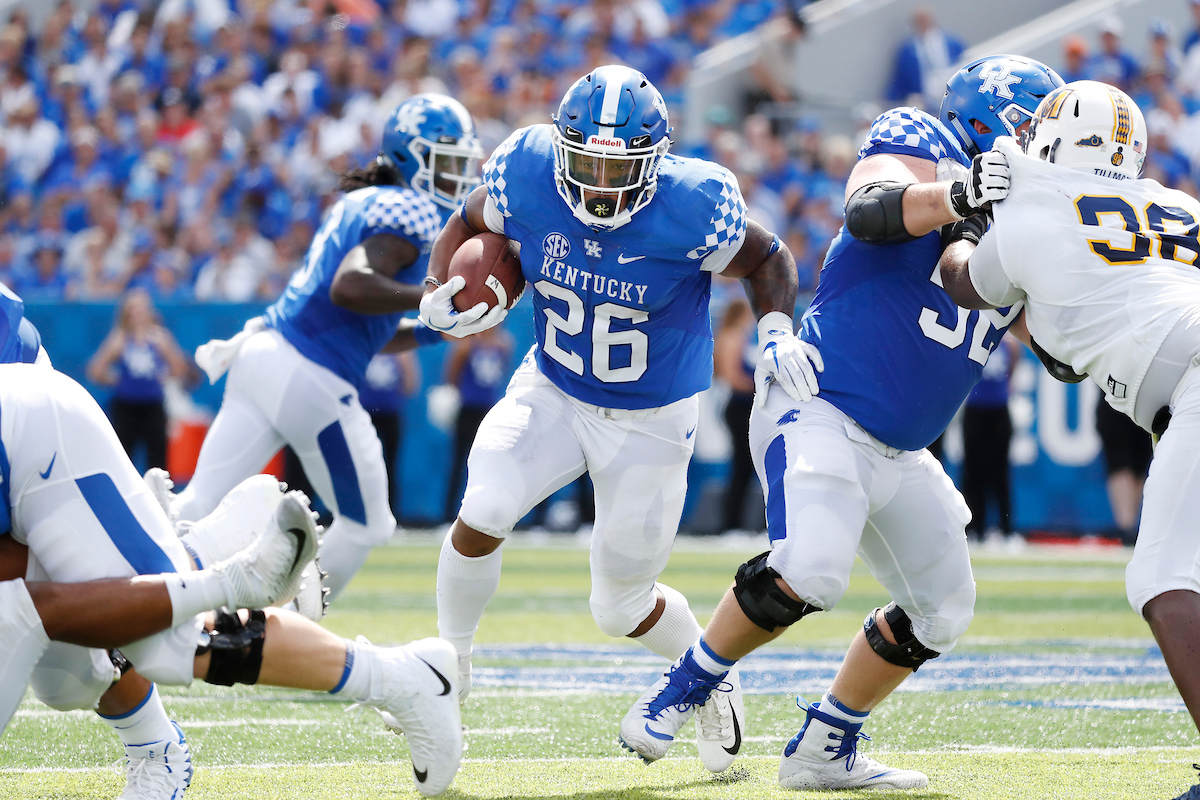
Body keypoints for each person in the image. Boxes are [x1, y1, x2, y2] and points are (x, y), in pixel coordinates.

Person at [617, 54, 1062, 790]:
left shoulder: (1030, 218)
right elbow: (871, 209)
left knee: (944, 608)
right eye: (1034, 127)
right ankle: (686, 684)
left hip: (902, 450)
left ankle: (825, 747)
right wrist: (965, 193)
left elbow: (1056, 351)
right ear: (991, 119)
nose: (1046, 144)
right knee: (811, 567)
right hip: (820, 403)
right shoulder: (927, 138)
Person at [417, 64, 821, 775]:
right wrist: (436, 285)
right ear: (563, 149)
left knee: (620, 604)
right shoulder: (528, 166)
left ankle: (712, 675)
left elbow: (767, 256)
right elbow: (469, 219)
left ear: (655, 160)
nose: (601, 183)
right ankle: (451, 665)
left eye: (619, 165)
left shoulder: (694, 202)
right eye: (589, 162)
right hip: (554, 387)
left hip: (651, 418)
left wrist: (778, 327)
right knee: (483, 507)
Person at [1, 361, 465, 798]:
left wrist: (204, 587)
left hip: (32, 443)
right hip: (24, 436)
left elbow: (32, 603)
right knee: (69, 678)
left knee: (163, 640)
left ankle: (399, 677)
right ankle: (195, 556)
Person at [936, 79, 1200, 800]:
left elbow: (967, 285)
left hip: (1191, 377)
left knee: (1163, 579)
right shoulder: (1180, 204)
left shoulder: (1026, 215)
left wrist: (965, 222)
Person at [172, 93, 484, 599]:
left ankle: (134, 584)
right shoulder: (412, 209)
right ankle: (284, 633)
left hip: (265, 354)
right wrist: (426, 295)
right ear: (409, 156)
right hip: (309, 376)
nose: (455, 174)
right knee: (368, 525)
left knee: (200, 500)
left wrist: (432, 326)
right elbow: (350, 285)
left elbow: (364, 325)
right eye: (444, 159)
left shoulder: (366, 201)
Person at [86, 288, 192, 472]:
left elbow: (179, 368)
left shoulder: (159, 338)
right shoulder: (120, 339)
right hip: (126, 406)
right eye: (133, 309)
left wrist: (162, 376)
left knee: (158, 458)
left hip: (153, 405)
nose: (138, 313)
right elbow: (95, 370)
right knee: (124, 456)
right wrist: (117, 380)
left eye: (141, 308)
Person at [442, 324, 512, 523]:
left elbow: (501, 373)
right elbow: (452, 374)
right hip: (468, 408)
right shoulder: (466, 344)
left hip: (489, 409)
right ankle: (449, 516)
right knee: (459, 462)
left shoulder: (504, 344)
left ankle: (490, 517)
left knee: (492, 462)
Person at [961, 333, 1020, 540]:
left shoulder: (1008, 342)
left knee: (1000, 470)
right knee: (972, 469)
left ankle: (1006, 528)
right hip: (974, 410)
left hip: (999, 410)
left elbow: (1012, 366)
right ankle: (974, 527)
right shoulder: (971, 336)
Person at [713, 297, 759, 534]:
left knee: (745, 465)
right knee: (742, 465)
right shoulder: (733, 337)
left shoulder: (734, 336)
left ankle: (736, 521)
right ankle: (732, 522)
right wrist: (762, 384)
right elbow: (732, 378)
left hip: (742, 406)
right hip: (740, 407)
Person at [359, 351, 421, 517]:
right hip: (364, 414)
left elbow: (411, 384)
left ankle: (390, 513)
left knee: (390, 466)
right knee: (361, 464)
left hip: (390, 414)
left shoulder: (401, 352)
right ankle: (359, 512)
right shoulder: (366, 347)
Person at [1094, 395, 1152, 543]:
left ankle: (1129, 528)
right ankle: (1126, 527)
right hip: (1119, 399)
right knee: (1121, 465)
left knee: (1138, 467)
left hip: (1143, 402)